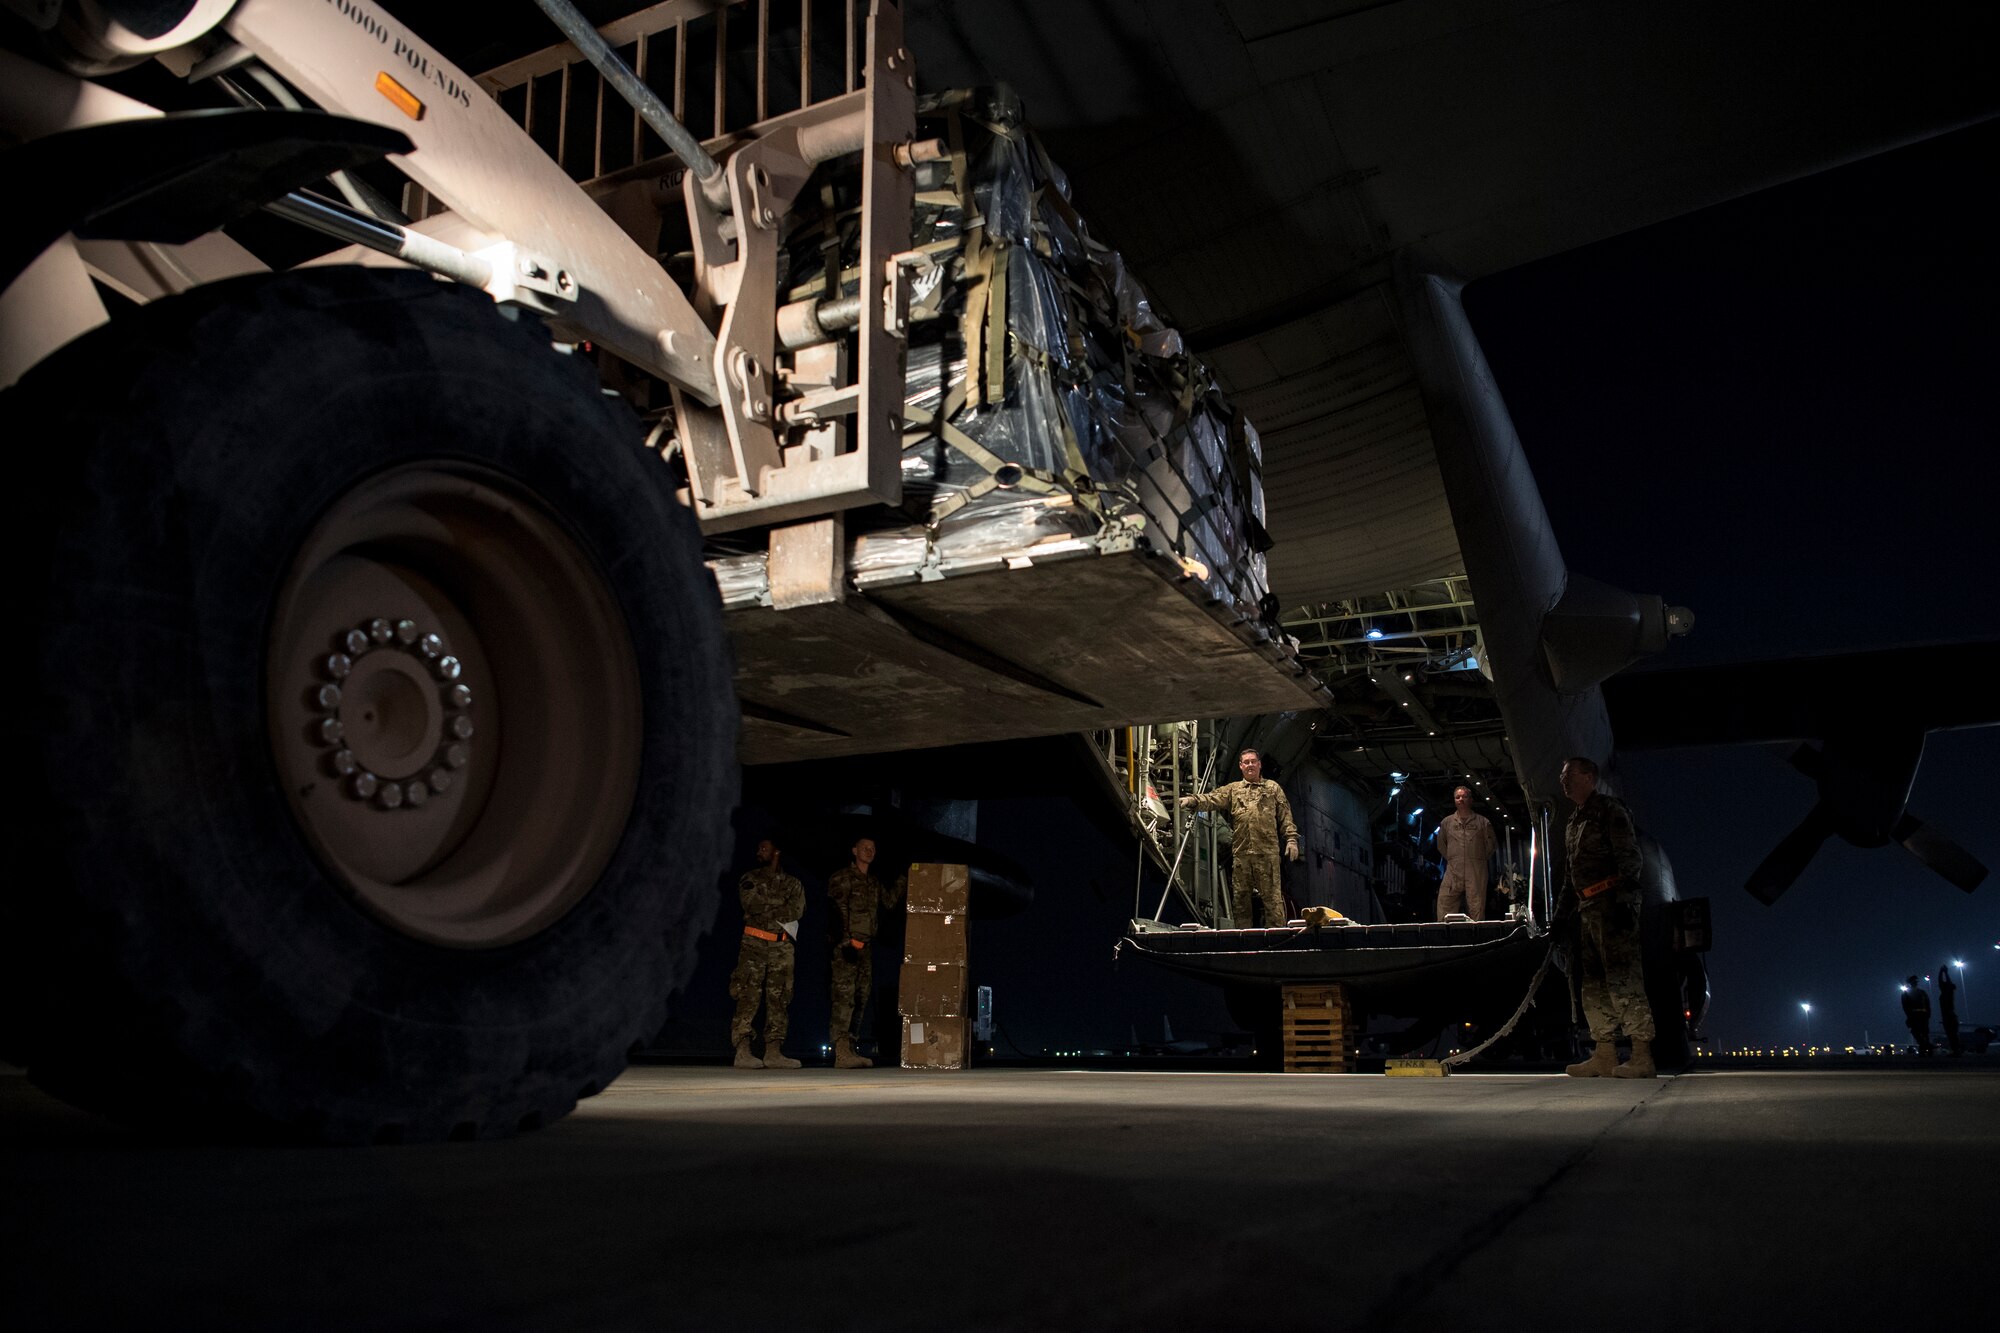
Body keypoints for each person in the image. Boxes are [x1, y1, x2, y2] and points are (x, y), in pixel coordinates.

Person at [1558, 756, 1655, 1079]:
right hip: (1587, 908)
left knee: (1623, 977)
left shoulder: (1609, 810)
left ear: (1589, 777)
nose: (1563, 780)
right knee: (1594, 983)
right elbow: (1569, 873)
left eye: (1569, 774)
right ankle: (1604, 1052)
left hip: (1612, 903)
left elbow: (1630, 857)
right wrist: (1561, 916)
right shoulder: (1574, 821)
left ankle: (1641, 1054)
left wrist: (1625, 903)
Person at [1180, 747, 1301, 928]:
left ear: (1259, 765)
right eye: (1246, 762)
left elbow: (1285, 815)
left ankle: (1277, 938)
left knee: (1272, 901)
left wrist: (1291, 840)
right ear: (1241, 766)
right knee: (1241, 901)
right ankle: (1244, 939)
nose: (1250, 765)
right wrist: (1192, 801)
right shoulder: (1234, 790)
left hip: (1266, 855)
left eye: (1253, 761)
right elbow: (1213, 799)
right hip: (1242, 856)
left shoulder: (1272, 788)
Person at [728, 838, 805, 1070]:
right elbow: (751, 904)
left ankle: (774, 1052)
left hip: (782, 947)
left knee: (780, 998)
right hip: (754, 943)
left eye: (764, 847)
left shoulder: (794, 883)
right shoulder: (750, 878)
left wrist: (770, 906)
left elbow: (797, 911)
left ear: (777, 851)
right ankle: (742, 1051)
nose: (759, 851)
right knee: (748, 994)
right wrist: (780, 906)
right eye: (759, 847)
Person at [827, 836, 903, 1069]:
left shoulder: (873, 882)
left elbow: (889, 903)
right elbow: (836, 912)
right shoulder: (842, 878)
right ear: (854, 850)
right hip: (847, 947)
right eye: (865, 848)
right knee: (844, 999)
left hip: (866, 949)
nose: (869, 852)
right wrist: (845, 942)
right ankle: (840, 1051)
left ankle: (850, 1047)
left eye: (873, 849)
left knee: (861, 998)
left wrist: (904, 879)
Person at [1435, 785, 1497, 920]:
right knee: (1445, 902)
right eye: (1457, 797)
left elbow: (1490, 845)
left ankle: (1477, 935)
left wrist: (1477, 859)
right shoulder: (1447, 823)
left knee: (1476, 905)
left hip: (1476, 869)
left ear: (1471, 800)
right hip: (1453, 869)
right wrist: (1453, 858)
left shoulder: (1483, 822)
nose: (1461, 799)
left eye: (1464, 796)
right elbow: (1441, 844)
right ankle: (1444, 934)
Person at [1902, 975, 1934, 1055]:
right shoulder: (1922, 992)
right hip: (1920, 1015)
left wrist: (1909, 1016)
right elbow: (1928, 1004)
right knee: (1922, 1032)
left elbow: (1905, 1006)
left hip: (1916, 1015)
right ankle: (1926, 1048)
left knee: (1919, 1032)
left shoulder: (1907, 993)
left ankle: (1924, 1047)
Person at [1938, 963, 1962, 1056]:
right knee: (1952, 1034)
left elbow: (1943, 982)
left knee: (1952, 1034)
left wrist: (1943, 972)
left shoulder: (1947, 992)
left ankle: (1956, 1050)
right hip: (1949, 1016)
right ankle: (1956, 1050)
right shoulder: (1948, 992)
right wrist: (1943, 972)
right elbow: (1942, 982)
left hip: (1949, 1016)